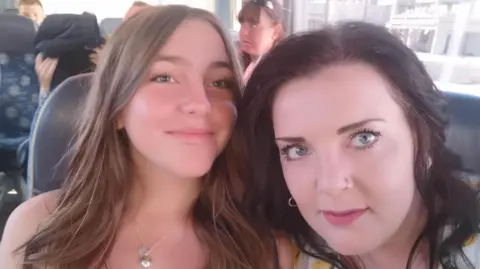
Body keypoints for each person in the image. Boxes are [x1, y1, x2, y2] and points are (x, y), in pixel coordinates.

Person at [0, 5, 276, 269]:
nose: (202, 103)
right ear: (117, 107)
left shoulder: (265, 249)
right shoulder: (34, 231)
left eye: (219, 82)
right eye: (165, 78)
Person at [239, 22, 480, 269]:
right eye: (297, 150)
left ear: (423, 137)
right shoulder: (282, 255)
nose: (331, 185)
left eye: (364, 138)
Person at [238, 0, 284, 82]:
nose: (243, 32)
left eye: (253, 25)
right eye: (242, 24)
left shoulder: (280, 73)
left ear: (275, 32)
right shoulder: (237, 62)